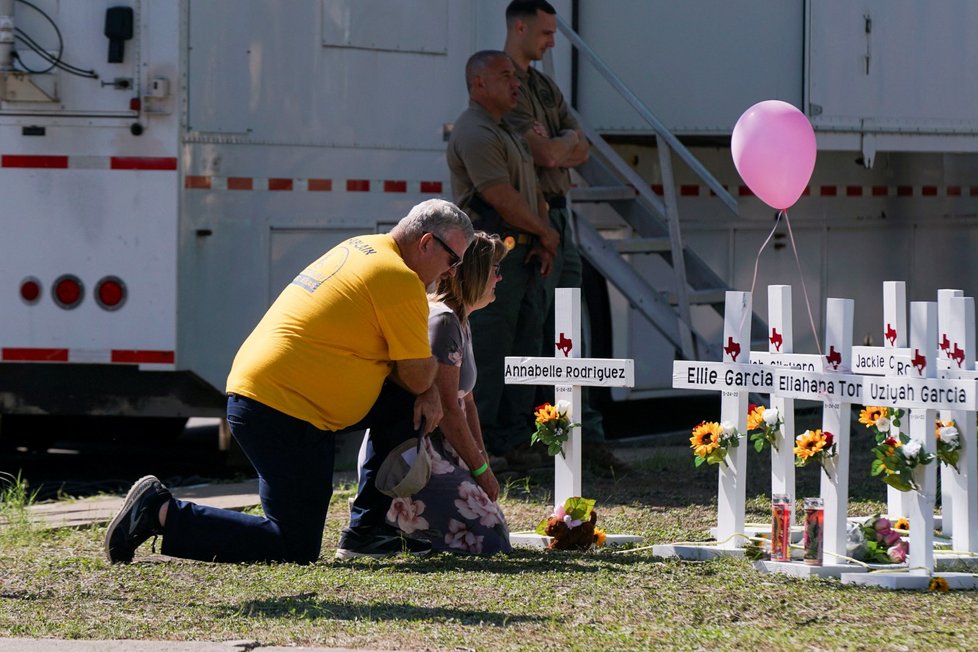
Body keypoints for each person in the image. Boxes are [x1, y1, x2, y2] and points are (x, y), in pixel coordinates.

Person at [103, 199, 474, 564]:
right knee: (292, 546)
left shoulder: (363, 247)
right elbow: (416, 374)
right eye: (452, 259)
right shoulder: (399, 278)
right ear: (426, 243)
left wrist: (420, 387)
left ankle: (367, 531)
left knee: (402, 404)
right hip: (282, 411)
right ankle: (160, 511)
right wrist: (428, 389)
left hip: (271, 400)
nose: (453, 272)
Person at [504, 0, 620, 470]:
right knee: (531, 329)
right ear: (519, 26)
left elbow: (575, 146)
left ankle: (583, 434)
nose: (553, 42)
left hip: (561, 217)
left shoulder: (544, 85)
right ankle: (524, 437)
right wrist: (559, 145)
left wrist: (562, 144)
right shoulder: (504, 83)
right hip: (535, 219)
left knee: (571, 331)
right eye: (546, 33)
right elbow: (549, 155)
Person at [364, 232, 512, 555]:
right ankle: (395, 525)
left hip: (445, 449)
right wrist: (481, 473)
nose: (500, 277)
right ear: (473, 274)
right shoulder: (444, 321)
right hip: (419, 454)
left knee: (495, 528)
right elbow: (449, 408)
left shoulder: (461, 319)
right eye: (494, 269)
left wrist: (481, 463)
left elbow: (467, 401)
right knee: (492, 539)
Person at [447, 49, 561, 467]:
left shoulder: (506, 128)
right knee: (491, 350)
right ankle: (488, 445)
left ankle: (515, 440)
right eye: (504, 76)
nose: (516, 84)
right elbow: (501, 197)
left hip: (524, 251)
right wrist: (547, 233)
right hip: (494, 254)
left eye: (515, 77)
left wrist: (543, 237)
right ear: (478, 83)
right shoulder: (476, 131)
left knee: (525, 346)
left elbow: (532, 191)